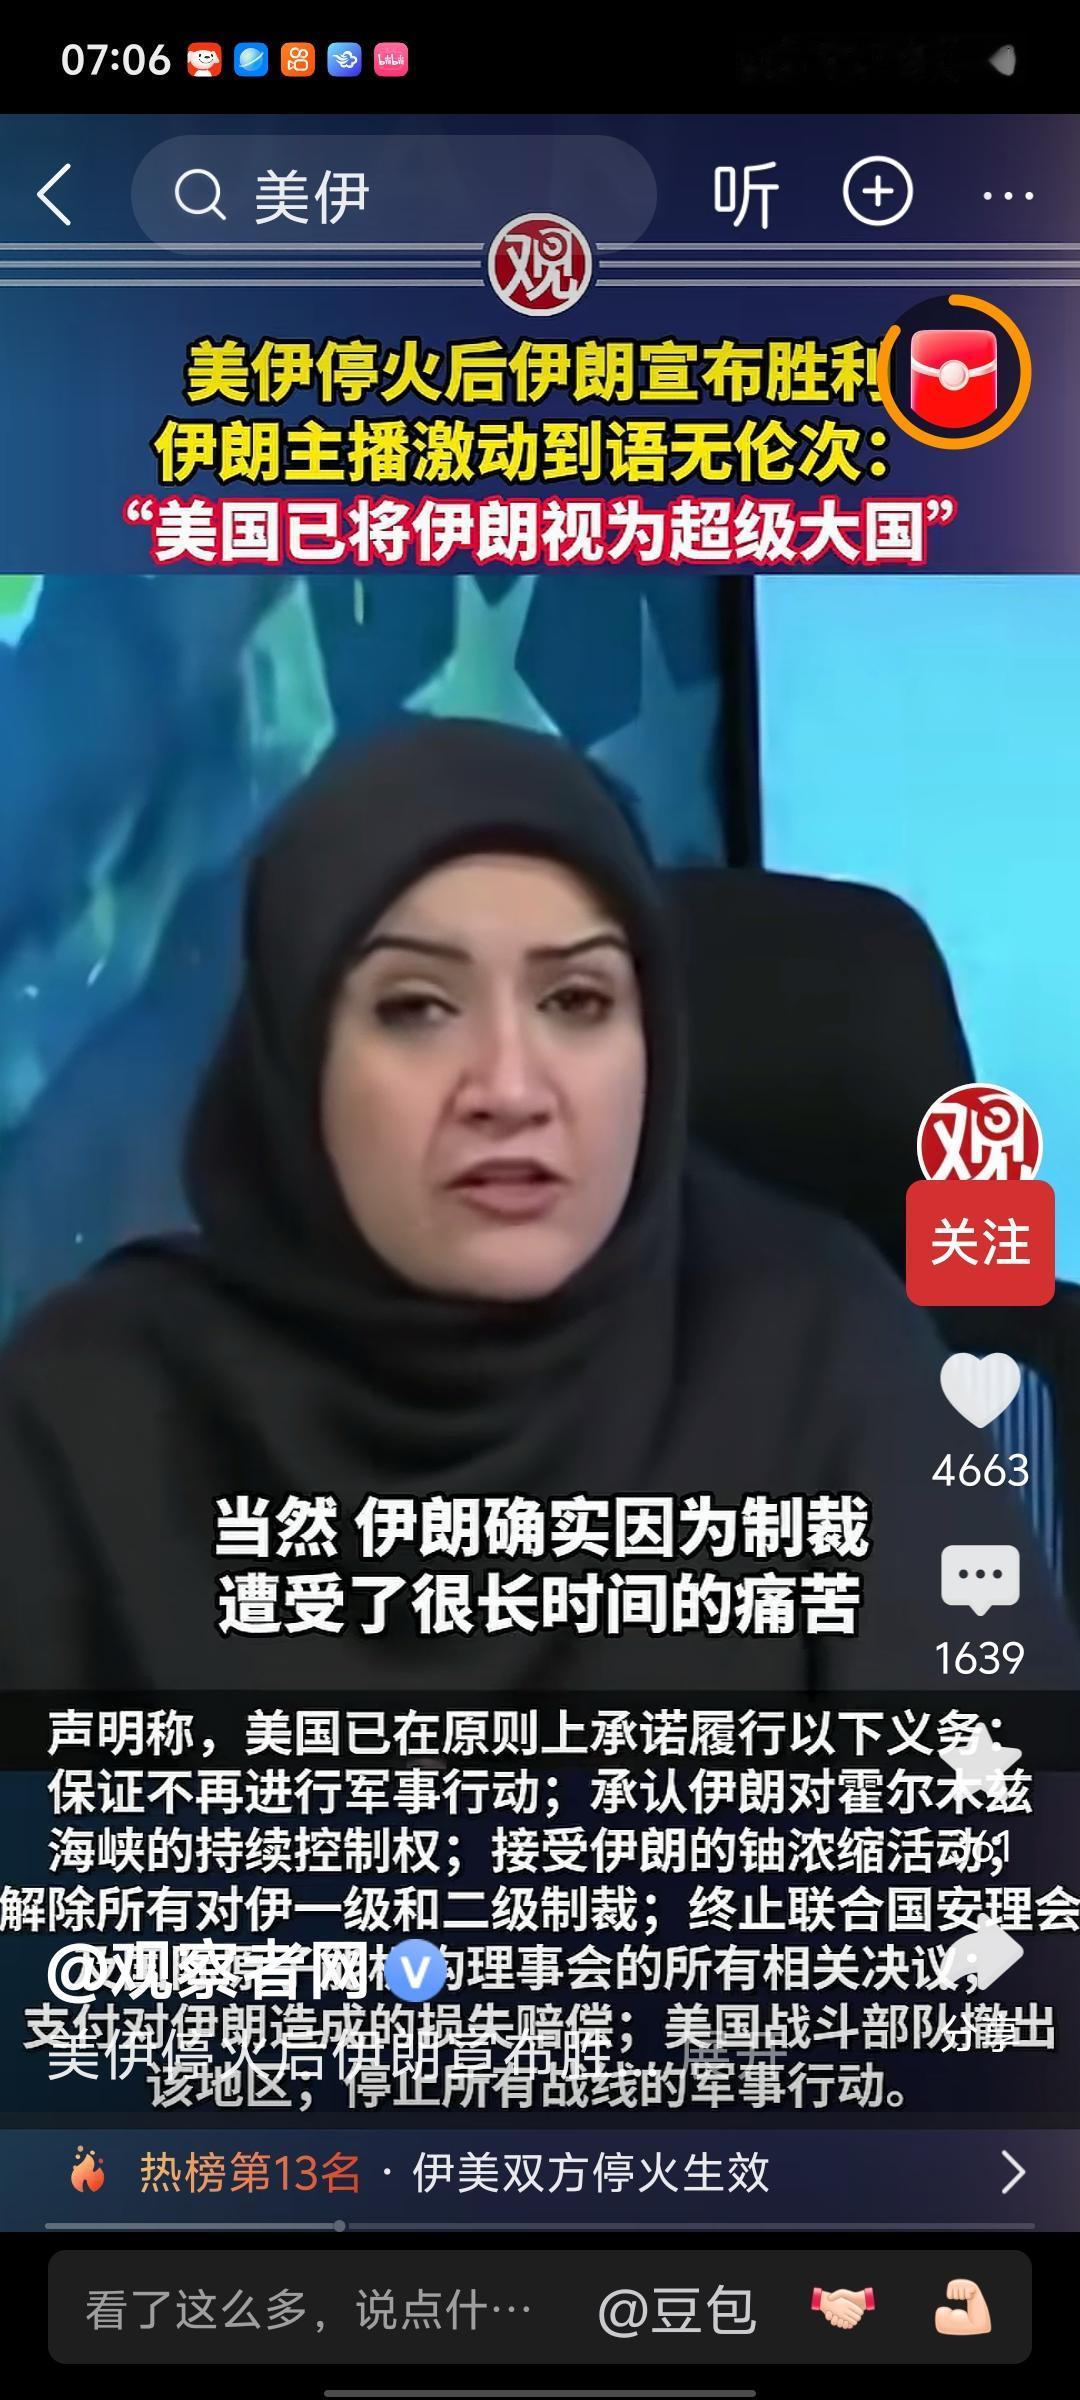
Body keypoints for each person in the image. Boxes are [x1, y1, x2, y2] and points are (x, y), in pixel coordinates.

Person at [0, 717, 1074, 1690]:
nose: (510, 1088)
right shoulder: (84, 1411)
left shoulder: (826, 1350)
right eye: (417, 1007)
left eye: (577, 999)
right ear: (295, 1054)